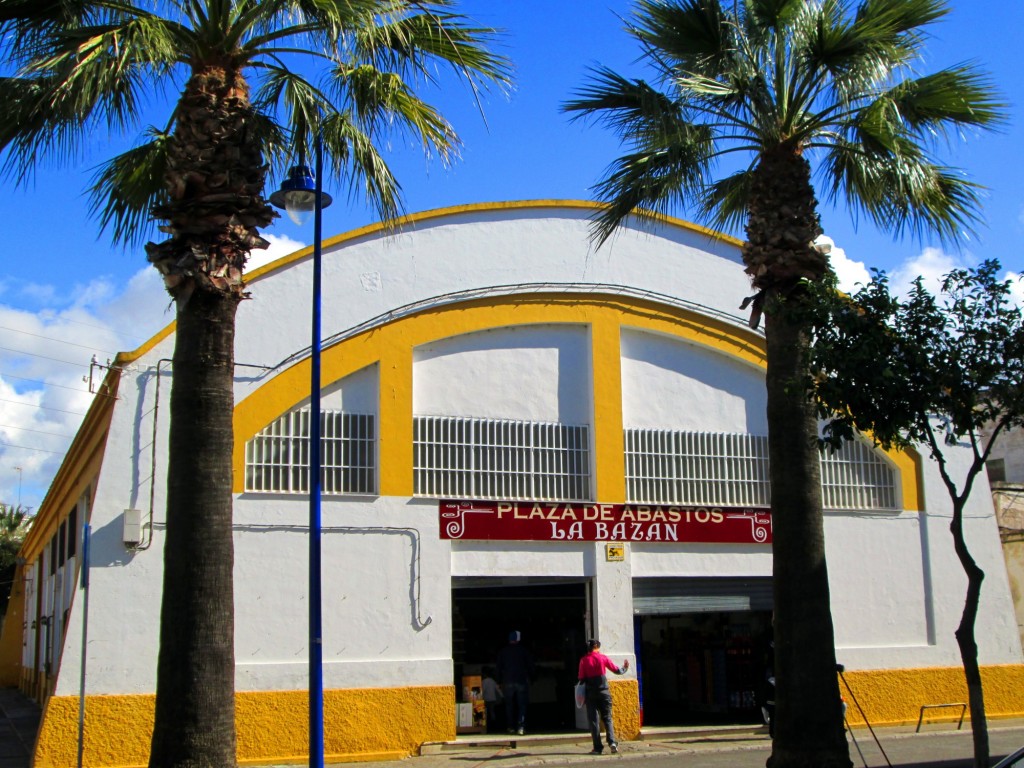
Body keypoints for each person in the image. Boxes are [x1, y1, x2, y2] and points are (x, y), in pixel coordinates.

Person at [577, 638, 629, 755]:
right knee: (607, 718)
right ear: (597, 647)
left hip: (591, 694)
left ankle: (597, 748)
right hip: (604, 692)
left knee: (594, 721)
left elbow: (581, 678)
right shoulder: (603, 658)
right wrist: (625, 667)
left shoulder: (584, 661)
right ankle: (612, 743)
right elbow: (617, 670)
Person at [496, 630, 534, 735]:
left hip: (507, 681)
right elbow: (530, 666)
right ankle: (521, 727)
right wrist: (532, 678)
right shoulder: (524, 651)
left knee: (509, 705)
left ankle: (510, 727)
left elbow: (498, 667)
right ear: (518, 639)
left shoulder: (503, 652)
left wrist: (499, 681)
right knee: (522, 704)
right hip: (521, 680)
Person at [481, 666, 502, 732]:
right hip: (493, 699)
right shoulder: (493, 681)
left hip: (486, 699)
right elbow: (498, 689)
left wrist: (480, 697)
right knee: (492, 711)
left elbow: (483, 690)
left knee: (485, 712)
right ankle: (494, 724)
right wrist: (502, 696)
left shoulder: (484, 681)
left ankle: (486, 725)